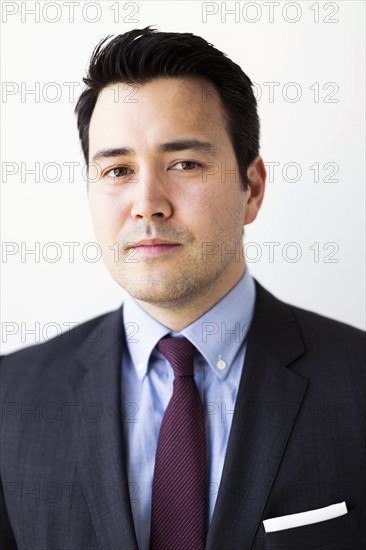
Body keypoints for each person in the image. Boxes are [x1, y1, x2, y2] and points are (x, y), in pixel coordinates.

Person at [0, 26, 365, 550]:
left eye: (185, 164)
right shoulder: (11, 395)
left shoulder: (357, 382)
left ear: (252, 188)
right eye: (117, 169)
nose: (148, 203)